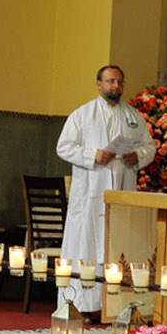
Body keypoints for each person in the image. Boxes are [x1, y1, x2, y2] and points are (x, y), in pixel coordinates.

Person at [55, 66, 155, 316]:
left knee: (118, 246)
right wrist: (93, 154)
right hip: (90, 195)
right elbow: (63, 147)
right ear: (99, 84)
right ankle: (81, 306)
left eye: (120, 82)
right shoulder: (82, 114)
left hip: (122, 192)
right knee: (85, 247)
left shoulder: (134, 116)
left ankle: (116, 308)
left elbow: (149, 147)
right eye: (111, 81)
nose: (116, 86)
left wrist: (138, 156)